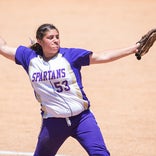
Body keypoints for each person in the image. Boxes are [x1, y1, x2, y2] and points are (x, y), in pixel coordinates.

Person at [0, 23, 139, 156]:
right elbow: (3, 47)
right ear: (39, 41)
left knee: (100, 154)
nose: (55, 40)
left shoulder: (70, 56)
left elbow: (102, 56)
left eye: (57, 36)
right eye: (50, 38)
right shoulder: (29, 57)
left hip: (82, 120)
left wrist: (133, 48)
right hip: (53, 124)